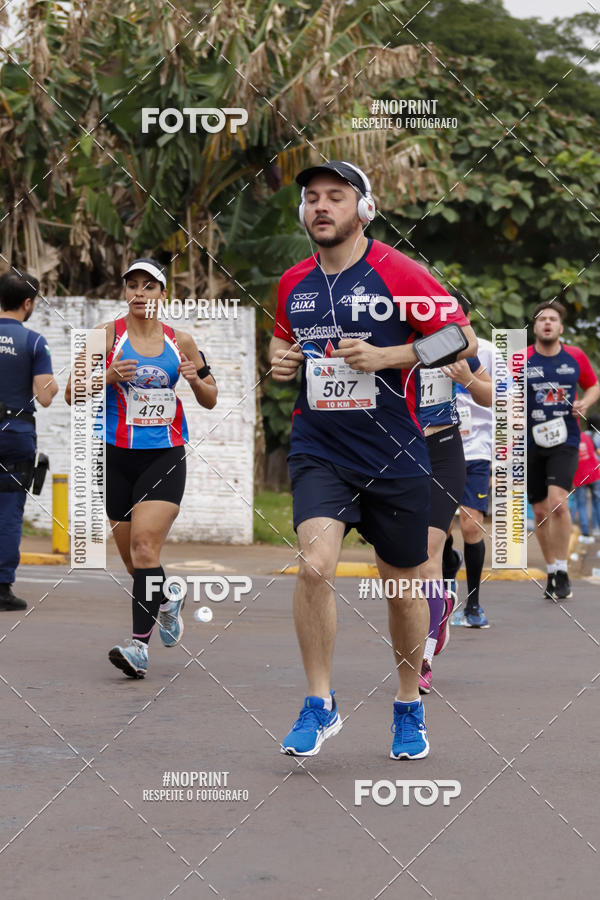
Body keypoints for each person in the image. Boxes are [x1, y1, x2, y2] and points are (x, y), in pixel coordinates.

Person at [270, 160, 477, 759]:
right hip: (319, 448)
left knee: (405, 590)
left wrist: (393, 356)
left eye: (336, 197)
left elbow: (459, 336)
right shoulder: (292, 281)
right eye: (312, 198)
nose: (321, 207)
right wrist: (282, 361)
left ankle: (408, 706)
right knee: (313, 566)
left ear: (364, 209)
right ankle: (319, 703)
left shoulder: (397, 270)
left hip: (395, 452)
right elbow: (287, 342)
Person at [65, 258, 217, 676]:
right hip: (115, 455)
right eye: (131, 285)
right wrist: (107, 377)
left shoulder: (180, 342)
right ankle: (166, 598)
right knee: (135, 563)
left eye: (148, 287)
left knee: (146, 548)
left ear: (161, 294)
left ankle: (138, 648)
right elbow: (69, 393)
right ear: (124, 292)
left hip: (165, 455)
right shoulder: (105, 337)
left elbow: (211, 397)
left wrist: (196, 381)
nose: (139, 293)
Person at [414, 292, 492, 694]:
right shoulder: (384, 338)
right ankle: (440, 606)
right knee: (402, 560)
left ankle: (422, 656)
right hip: (394, 452)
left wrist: (468, 380)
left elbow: (491, 396)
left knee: (429, 549)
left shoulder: (453, 347)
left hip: (444, 450)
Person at [526, 301, 599, 600]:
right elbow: (503, 391)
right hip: (529, 440)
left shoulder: (576, 356)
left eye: (552, 319)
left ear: (561, 327)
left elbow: (594, 385)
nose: (547, 323)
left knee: (559, 503)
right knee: (541, 510)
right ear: (535, 327)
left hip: (565, 439)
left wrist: (585, 402)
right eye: (542, 319)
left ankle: (563, 570)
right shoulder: (521, 358)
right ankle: (552, 567)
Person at [442, 290, 502, 630]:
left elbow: (498, 396)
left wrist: (469, 381)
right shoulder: (421, 346)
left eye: (456, 314)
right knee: (439, 532)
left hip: (476, 447)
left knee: (470, 523)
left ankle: (474, 604)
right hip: (435, 445)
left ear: (466, 317)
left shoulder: (486, 352)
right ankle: (449, 566)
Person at [0, 270, 58, 611]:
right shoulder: (35, 342)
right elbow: (46, 396)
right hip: (16, 436)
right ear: (27, 303)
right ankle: (2, 589)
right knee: (8, 511)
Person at [573, 424, 600, 542]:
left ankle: (586, 534)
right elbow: (597, 452)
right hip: (594, 473)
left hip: (580, 477)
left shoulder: (570, 441)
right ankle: (597, 529)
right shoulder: (587, 437)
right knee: (597, 502)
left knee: (582, 504)